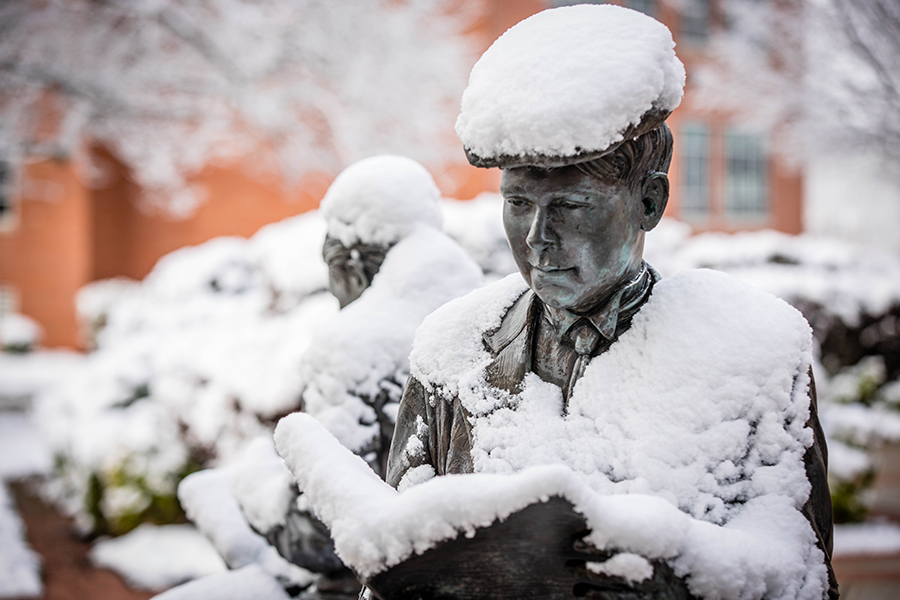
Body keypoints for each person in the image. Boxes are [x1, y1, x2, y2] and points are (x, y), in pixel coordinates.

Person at [382, 5, 837, 599]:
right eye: (519, 204)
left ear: (649, 202)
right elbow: (393, 562)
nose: (538, 238)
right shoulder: (452, 351)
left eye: (570, 207)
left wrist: (668, 576)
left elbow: (803, 575)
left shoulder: (754, 359)